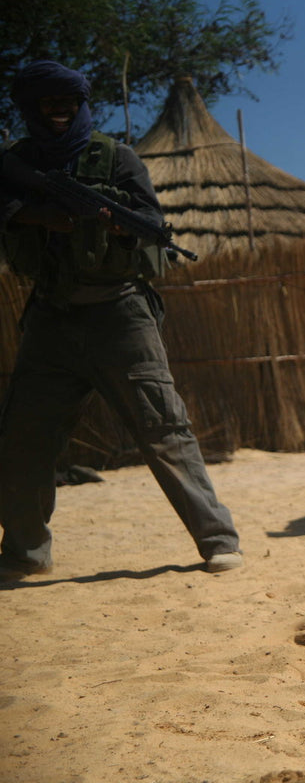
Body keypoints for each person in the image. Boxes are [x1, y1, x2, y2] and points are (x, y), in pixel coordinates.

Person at [0, 61, 243, 580]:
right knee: (23, 439)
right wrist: (42, 215)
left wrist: (115, 225)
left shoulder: (117, 158)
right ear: (33, 109)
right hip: (50, 318)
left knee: (164, 428)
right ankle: (25, 553)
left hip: (121, 314)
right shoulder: (17, 163)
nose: (59, 111)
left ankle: (218, 541)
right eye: (48, 104)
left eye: (68, 103)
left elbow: (152, 222)